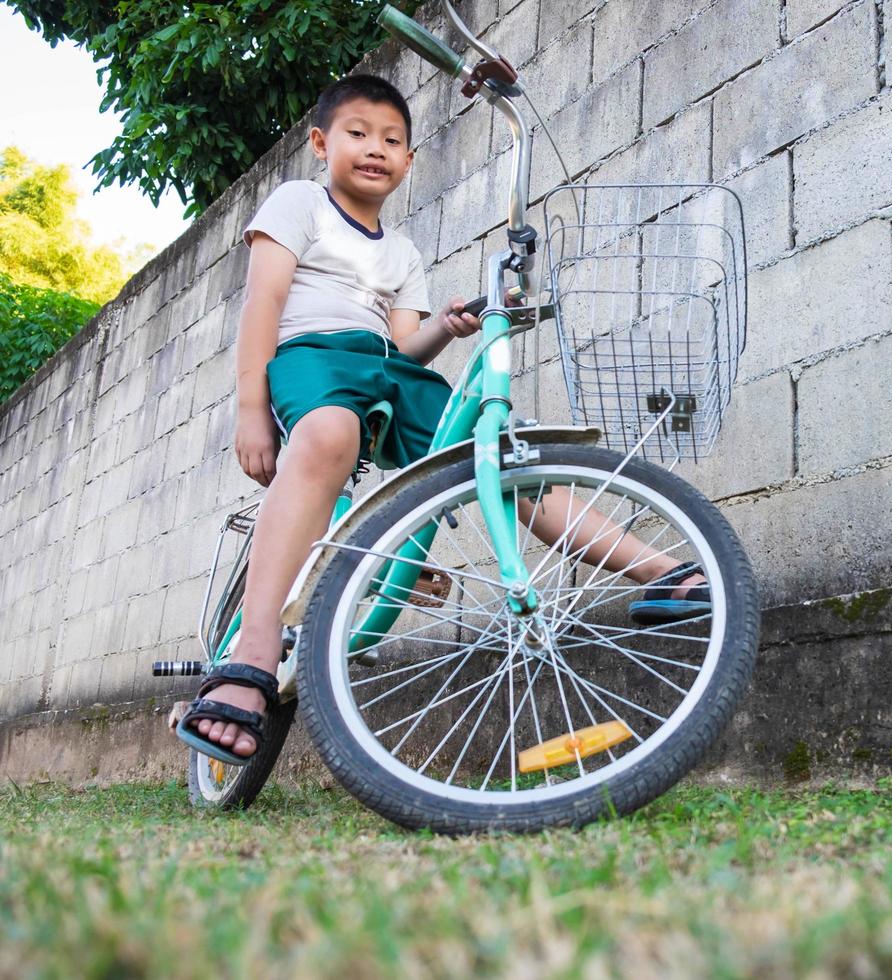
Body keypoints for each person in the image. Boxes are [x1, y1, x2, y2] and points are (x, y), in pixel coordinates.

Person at [175, 74, 707, 766]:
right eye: (358, 134)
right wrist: (251, 409)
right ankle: (249, 659)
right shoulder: (300, 203)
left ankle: (663, 573)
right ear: (319, 143)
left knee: (505, 456)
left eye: (392, 140)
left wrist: (446, 330)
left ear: (410, 161)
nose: (375, 149)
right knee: (332, 433)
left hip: (383, 370)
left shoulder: (400, 253)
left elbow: (400, 350)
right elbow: (263, 305)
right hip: (312, 359)